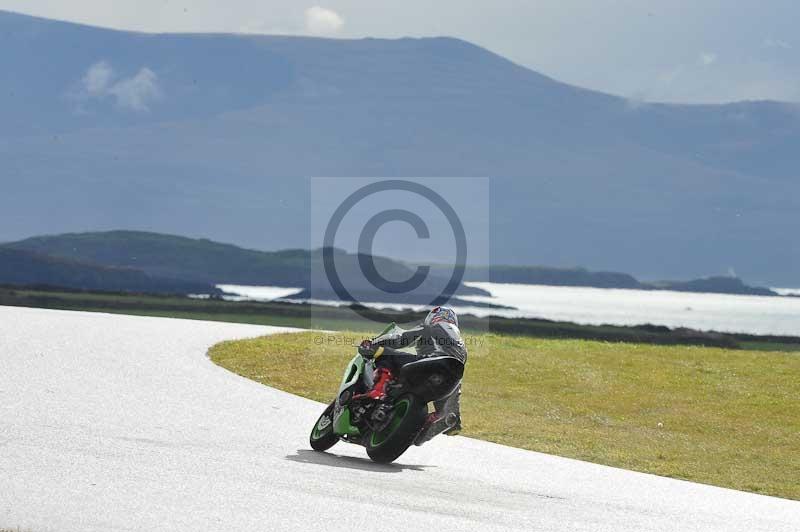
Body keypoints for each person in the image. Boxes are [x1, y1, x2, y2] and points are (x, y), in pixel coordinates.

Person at [356, 306, 466, 443]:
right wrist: (453, 416)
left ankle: (377, 391)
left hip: (431, 362)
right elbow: (456, 389)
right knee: (443, 412)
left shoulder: (433, 326)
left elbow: (400, 339)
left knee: (385, 354)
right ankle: (427, 425)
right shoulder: (461, 345)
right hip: (450, 380)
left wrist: (373, 343)